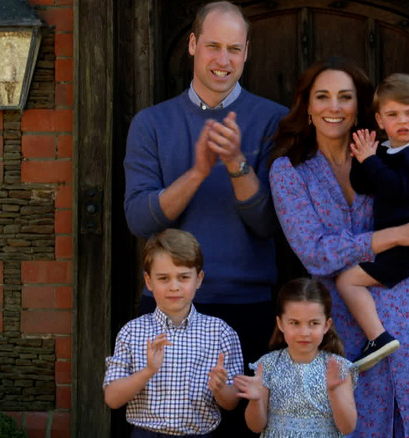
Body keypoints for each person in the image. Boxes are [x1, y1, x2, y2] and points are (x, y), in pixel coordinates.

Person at [269, 57, 409, 437]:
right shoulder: (290, 171)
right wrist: (397, 235)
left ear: (359, 108)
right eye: (322, 97)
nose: (334, 107)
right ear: (307, 107)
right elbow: (315, 252)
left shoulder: (389, 157)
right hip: (339, 325)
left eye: (345, 97)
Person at [123, 2, 288, 435]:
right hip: (169, 309)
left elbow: (272, 223)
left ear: (247, 52)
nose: (223, 60)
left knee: (243, 431)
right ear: (193, 45)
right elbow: (140, 220)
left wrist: (235, 163)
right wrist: (197, 172)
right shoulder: (151, 124)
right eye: (213, 46)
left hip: (248, 308)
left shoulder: (274, 121)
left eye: (234, 48)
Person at [335, 73, 409, 371]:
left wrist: (371, 160)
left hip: (406, 248)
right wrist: (362, 157)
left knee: (347, 280)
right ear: (380, 121)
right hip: (392, 244)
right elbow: (365, 185)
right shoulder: (389, 150)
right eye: (393, 115)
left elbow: (398, 188)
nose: (403, 121)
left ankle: (377, 338)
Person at [103, 229, 244, 437]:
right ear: (149, 281)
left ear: (198, 279)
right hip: (147, 433)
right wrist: (148, 371)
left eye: (183, 277)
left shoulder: (221, 333)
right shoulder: (132, 332)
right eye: (163, 278)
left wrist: (220, 388)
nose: (174, 286)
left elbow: (232, 403)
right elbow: (112, 399)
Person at [234, 278, 357, 437]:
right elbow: (255, 426)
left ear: (326, 325)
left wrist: (334, 392)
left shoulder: (338, 367)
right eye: (295, 323)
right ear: (280, 324)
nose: (304, 332)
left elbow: (347, 427)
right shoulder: (268, 365)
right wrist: (256, 400)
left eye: (313, 323)